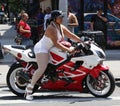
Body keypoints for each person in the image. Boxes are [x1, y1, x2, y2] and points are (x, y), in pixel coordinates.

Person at [25, 10, 81, 100]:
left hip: (50, 48)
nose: (62, 19)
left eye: (62, 17)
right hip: (42, 48)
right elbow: (56, 44)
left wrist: (82, 41)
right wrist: (68, 50)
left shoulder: (60, 26)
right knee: (42, 67)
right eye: (60, 17)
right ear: (55, 19)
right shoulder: (51, 28)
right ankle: (29, 89)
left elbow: (70, 35)